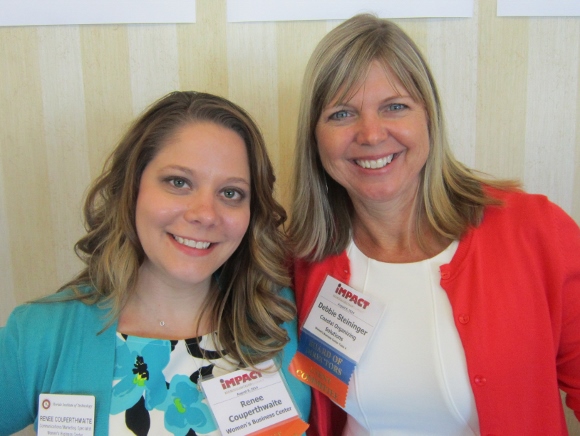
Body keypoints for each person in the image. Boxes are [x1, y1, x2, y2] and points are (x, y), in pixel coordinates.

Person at [289, 13, 580, 436]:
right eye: (341, 114)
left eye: (394, 106)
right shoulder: (301, 260)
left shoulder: (533, 233)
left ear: (429, 116)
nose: (371, 135)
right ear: (314, 137)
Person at [0, 91, 310, 435]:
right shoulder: (40, 334)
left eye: (231, 193)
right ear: (133, 189)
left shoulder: (282, 322)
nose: (205, 215)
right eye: (178, 182)